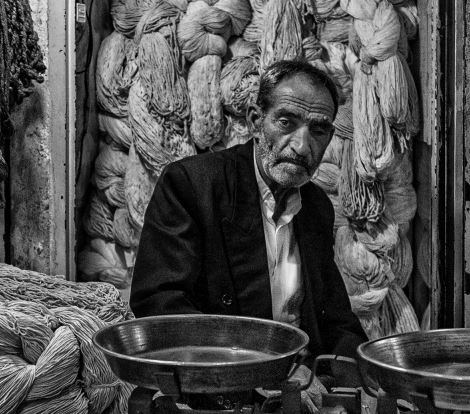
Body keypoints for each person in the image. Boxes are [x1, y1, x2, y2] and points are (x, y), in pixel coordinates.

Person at [130, 59, 366, 359]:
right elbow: (161, 305)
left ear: (329, 138)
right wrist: (267, 372)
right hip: (222, 380)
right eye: (286, 123)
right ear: (255, 121)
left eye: (318, 131)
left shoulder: (316, 206)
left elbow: (334, 315)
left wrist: (361, 371)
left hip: (305, 379)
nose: (302, 146)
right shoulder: (193, 185)